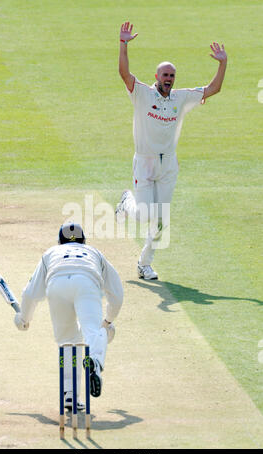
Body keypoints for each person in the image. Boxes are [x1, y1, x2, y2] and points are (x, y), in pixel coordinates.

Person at [116, 21, 227, 280]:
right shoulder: (142, 94)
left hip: (168, 166)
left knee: (161, 221)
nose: (169, 79)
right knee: (144, 215)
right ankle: (126, 202)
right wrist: (123, 44)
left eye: (172, 76)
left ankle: (144, 264)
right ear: (157, 77)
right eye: (165, 75)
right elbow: (124, 74)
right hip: (144, 162)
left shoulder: (180, 98)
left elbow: (214, 89)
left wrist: (222, 64)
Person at [13, 222, 123, 408]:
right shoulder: (94, 253)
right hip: (86, 282)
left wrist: (24, 319)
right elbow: (117, 293)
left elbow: (31, 294)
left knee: (67, 340)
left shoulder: (50, 254)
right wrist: (108, 320)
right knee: (94, 331)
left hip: (56, 285)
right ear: (84, 241)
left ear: (59, 242)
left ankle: (69, 395)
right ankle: (95, 362)